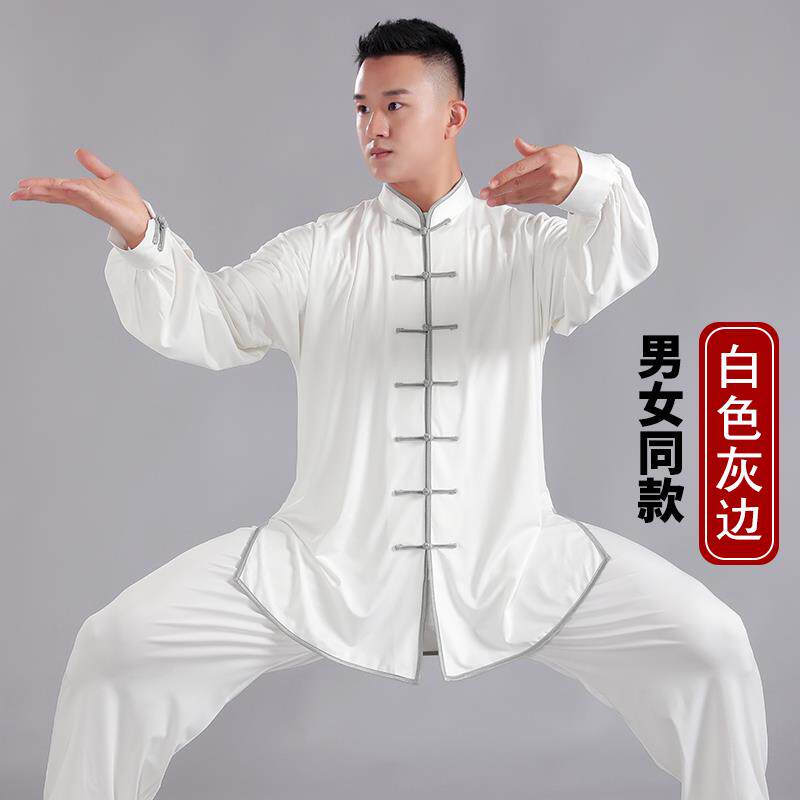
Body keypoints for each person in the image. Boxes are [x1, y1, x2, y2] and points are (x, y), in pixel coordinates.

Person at [12, 16, 769, 800]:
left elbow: (624, 250)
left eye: (395, 105)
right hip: (327, 561)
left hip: (513, 559)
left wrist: (589, 178)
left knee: (713, 647)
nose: (373, 127)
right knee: (114, 649)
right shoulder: (318, 253)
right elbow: (211, 318)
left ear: (453, 115)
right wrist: (143, 236)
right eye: (362, 109)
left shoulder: (523, 249)